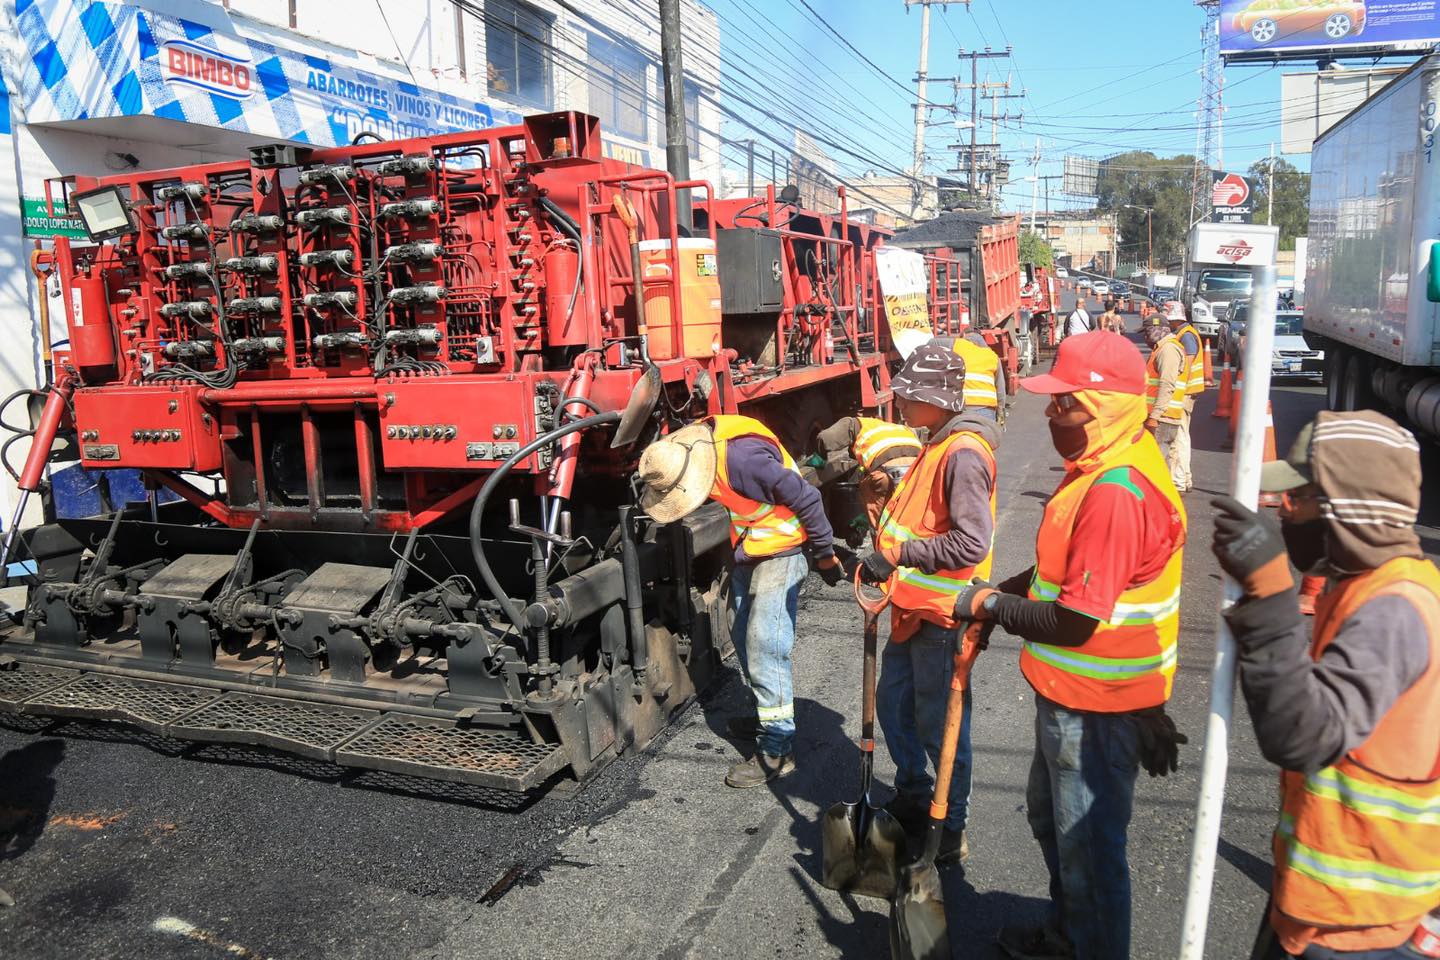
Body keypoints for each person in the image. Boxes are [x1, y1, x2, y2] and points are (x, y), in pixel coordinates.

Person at [953, 331, 1189, 960]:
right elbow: (1066, 570)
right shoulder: (1104, 465)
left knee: (1087, 851)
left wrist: (989, 607)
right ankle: (1069, 934)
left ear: (1106, 406)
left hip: (1095, 708)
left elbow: (1078, 620)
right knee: (1051, 822)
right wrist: (1002, 590)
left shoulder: (1115, 491)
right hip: (1080, 695)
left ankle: (1089, 944)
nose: (1051, 415)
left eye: (1065, 404)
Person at [1211, 411, 1440, 960]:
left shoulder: (1394, 609)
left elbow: (1303, 735)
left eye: (1300, 495)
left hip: (1358, 926)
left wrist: (1269, 596)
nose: (1284, 508)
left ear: (1348, 509)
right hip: (1324, 908)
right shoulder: (1364, 584)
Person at [638, 414, 844, 788]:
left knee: (765, 644)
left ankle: (777, 748)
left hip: (782, 549)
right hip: (753, 548)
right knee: (740, 629)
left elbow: (808, 496)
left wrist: (825, 554)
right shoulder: (693, 453)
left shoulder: (744, 461)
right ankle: (769, 717)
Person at [855, 341, 1000, 866]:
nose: (901, 407)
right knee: (896, 706)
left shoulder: (962, 454)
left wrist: (895, 556)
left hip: (944, 616)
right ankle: (917, 794)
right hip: (913, 612)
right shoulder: (938, 444)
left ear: (937, 400)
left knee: (940, 724)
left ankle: (948, 824)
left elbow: (970, 542)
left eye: (909, 398)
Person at [812, 415, 922, 537]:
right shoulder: (903, 429)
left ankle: (882, 552)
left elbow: (825, 437)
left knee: (879, 524)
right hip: (918, 471)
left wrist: (820, 456)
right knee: (911, 518)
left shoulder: (854, 424)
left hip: (884, 472)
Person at [1165, 301, 1206, 493]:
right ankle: (1185, 478)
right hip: (1187, 391)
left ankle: (1178, 481)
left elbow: (1186, 367)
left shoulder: (1186, 336)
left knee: (1179, 437)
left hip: (1184, 392)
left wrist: (1176, 390)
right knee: (1182, 435)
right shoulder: (1184, 333)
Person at [1143, 314, 1188, 488]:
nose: (1145, 338)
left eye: (1147, 332)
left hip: (1163, 417)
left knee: (1156, 466)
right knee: (1158, 464)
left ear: (1156, 330)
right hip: (1161, 415)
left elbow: (1166, 385)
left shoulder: (1168, 350)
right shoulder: (1162, 348)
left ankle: (1159, 503)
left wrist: (1154, 416)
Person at [941, 332, 1006, 421]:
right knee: (986, 434)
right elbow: (1000, 389)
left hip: (958, 407)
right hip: (985, 408)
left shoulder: (956, 347)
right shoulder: (992, 356)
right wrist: (1001, 412)